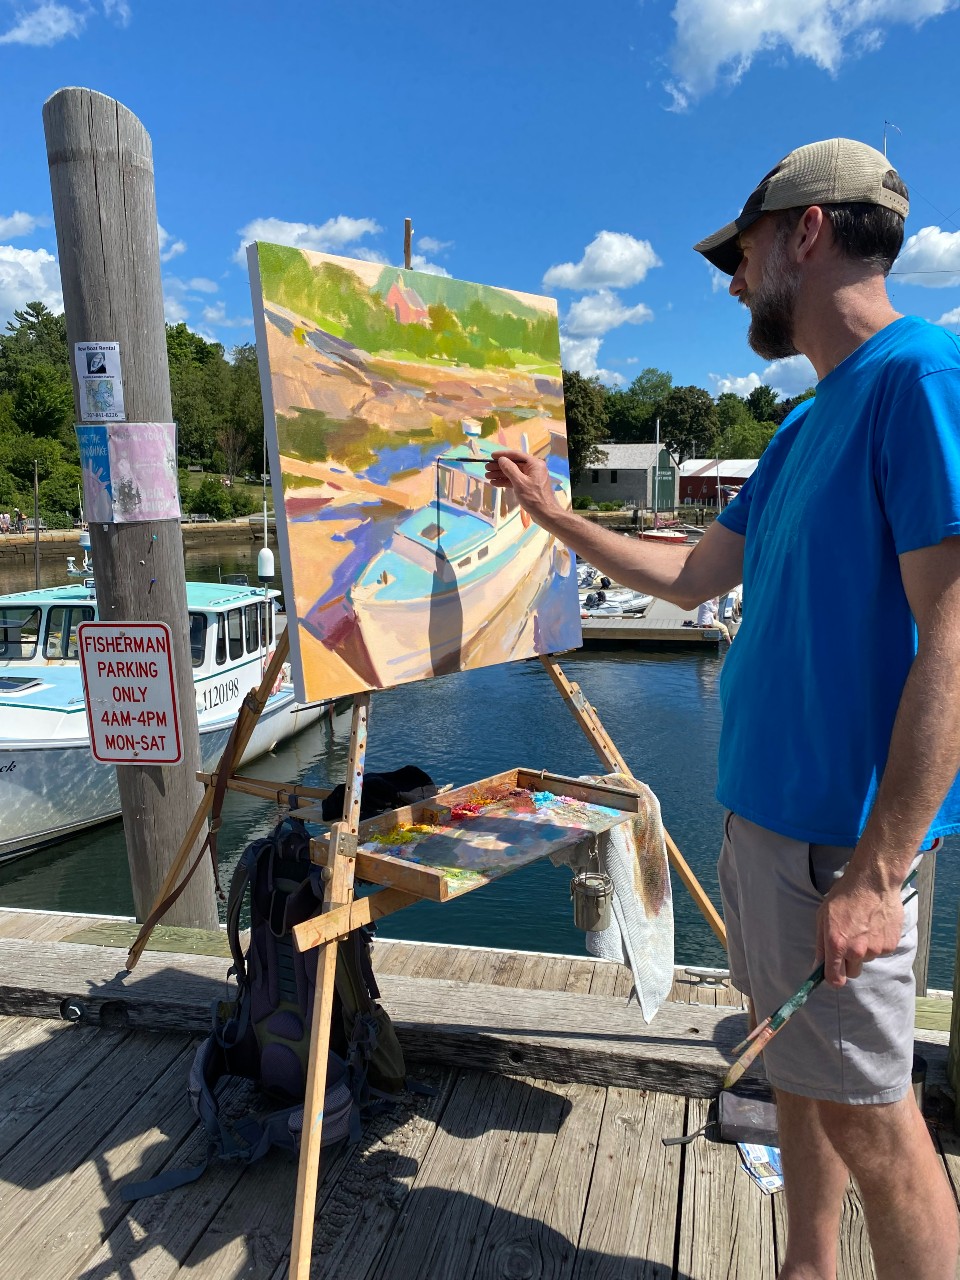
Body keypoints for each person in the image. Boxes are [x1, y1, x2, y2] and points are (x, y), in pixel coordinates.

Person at [486, 137, 960, 1280]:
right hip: (768, 826)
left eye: (740, 254)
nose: (733, 280)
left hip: (841, 847)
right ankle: (808, 1263)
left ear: (808, 230)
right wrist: (552, 516)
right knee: (798, 1068)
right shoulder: (803, 423)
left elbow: (955, 627)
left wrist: (876, 869)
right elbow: (693, 577)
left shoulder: (921, 377)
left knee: (879, 1123)